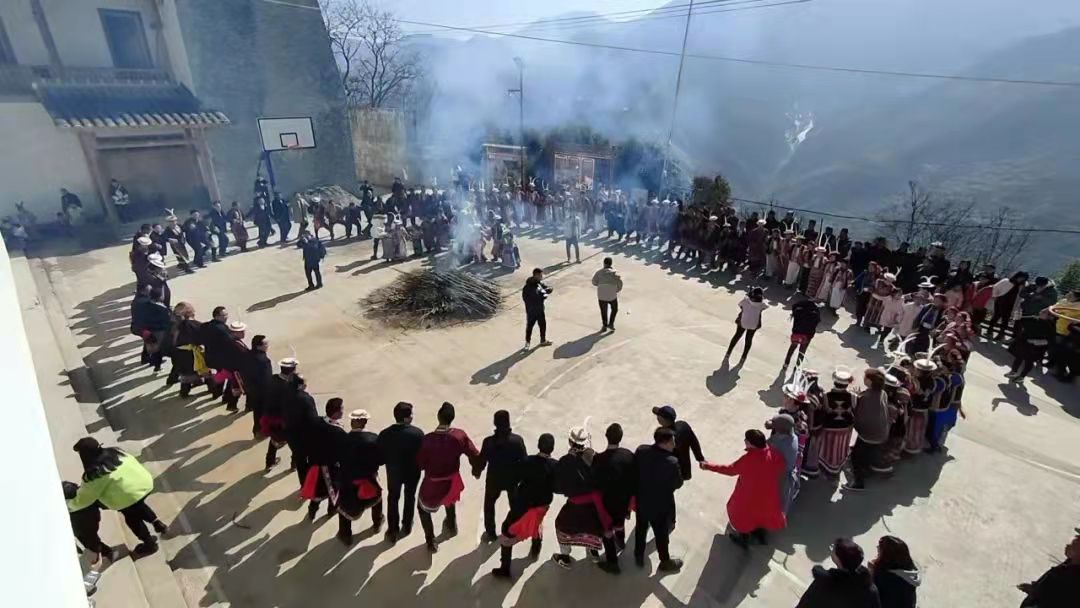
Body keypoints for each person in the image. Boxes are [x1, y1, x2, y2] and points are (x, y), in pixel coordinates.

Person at [67, 438, 168, 558]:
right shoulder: (117, 452)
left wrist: (68, 506)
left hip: (128, 496)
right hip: (144, 484)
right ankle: (157, 523)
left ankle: (149, 544)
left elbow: (84, 499)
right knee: (138, 505)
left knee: (132, 517)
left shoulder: (96, 474)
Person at [700, 429, 786, 549]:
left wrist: (708, 466)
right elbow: (781, 466)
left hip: (749, 495)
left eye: (746, 440)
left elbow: (729, 470)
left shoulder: (748, 459)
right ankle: (760, 534)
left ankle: (743, 539)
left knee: (743, 516)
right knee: (761, 515)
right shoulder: (772, 453)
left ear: (751, 444)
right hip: (768, 494)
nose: (744, 441)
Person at [491, 433, 558, 580]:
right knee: (537, 523)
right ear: (552, 448)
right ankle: (536, 548)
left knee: (507, 530)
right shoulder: (555, 466)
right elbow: (558, 487)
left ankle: (505, 568)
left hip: (523, 505)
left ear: (538, 445)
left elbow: (513, 480)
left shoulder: (527, 462)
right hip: (542, 506)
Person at [416, 402, 480, 552]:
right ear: (452, 418)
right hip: (452, 479)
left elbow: (420, 463)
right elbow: (475, 454)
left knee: (423, 509)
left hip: (433, 482)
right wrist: (476, 470)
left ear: (438, 417)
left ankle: (431, 542)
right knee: (450, 499)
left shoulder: (427, 439)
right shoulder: (459, 435)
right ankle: (451, 525)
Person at [551, 425, 611, 569]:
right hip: (593, 506)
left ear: (570, 442)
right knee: (592, 528)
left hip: (574, 505)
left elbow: (557, 487)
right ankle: (593, 552)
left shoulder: (565, 461)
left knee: (561, 526)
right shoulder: (594, 456)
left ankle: (565, 557)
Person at [632, 427, 685, 572]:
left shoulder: (641, 450)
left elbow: (634, 471)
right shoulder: (672, 462)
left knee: (640, 529)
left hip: (642, 501)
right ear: (665, 443)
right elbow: (678, 483)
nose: (674, 444)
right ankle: (665, 561)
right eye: (672, 441)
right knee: (661, 534)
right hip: (660, 506)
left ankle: (638, 555)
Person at [473, 410, 527, 542]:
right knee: (515, 504)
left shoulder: (488, 442)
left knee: (489, 505)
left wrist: (477, 472)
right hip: (512, 479)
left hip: (494, 479)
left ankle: (490, 532)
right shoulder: (517, 441)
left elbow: (481, 461)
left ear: (494, 423)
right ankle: (512, 529)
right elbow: (524, 461)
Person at [334, 409, 384, 546]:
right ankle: (377, 522)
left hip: (347, 481)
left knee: (344, 507)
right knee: (377, 498)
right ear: (365, 422)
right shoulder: (374, 439)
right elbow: (380, 460)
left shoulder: (342, 439)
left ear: (352, 422)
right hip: (369, 479)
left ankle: (345, 535)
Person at [377, 402, 423, 543]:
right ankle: (407, 525)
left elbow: (380, 457)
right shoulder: (418, 433)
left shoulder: (385, 434)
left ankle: (392, 529)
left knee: (393, 498)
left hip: (394, 472)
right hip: (412, 472)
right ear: (406, 418)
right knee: (410, 497)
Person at [795, 538, 882, 608]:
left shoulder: (824, 583)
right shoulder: (870, 588)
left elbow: (805, 604)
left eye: (834, 549)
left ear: (837, 559)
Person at [844, 369, 890, 492]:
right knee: (868, 452)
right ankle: (867, 470)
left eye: (865, 377)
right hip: (882, 433)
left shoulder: (865, 397)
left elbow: (858, 414)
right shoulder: (883, 393)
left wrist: (856, 397)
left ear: (870, 381)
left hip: (868, 434)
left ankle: (858, 482)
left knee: (855, 457)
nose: (863, 379)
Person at [1017, 533, 1080, 607]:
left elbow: (1059, 600)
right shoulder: (1069, 564)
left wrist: (1036, 592)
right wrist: (1036, 588)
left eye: (1074, 545)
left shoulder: (1074, 578)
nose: (1068, 546)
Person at [816, 369, 856, 480]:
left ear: (834, 382)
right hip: (845, 429)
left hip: (829, 428)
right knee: (841, 448)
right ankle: (837, 467)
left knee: (828, 449)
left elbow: (824, 411)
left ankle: (827, 468)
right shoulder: (853, 396)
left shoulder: (826, 396)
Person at [263, 358, 299, 471]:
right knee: (295, 442)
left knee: (274, 440)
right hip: (285, 419)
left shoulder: (273, 379)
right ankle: (294, 464)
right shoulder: (289, 386)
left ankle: (270, 462)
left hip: (271, 417)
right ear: (292, 370)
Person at [652, 405, 704, 481]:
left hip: (672, 473)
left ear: (663, 420)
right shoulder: (683, 425)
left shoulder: (664, 437)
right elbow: (694, 442)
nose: (657, 417)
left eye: (659, 416)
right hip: (685, 469)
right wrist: (700, 459)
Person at [870, 536, 920, 608]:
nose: (877, 547)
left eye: (881, 547)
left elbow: (873, 596)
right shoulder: (910, 569)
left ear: (887, 556)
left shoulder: (885, 577)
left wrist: (872, 572)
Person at [1007, 309, 1056, 382]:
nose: (1040, 312)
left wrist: (1036, 342)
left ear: (1048, 316)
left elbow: (1050, 340)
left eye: (1043, 312)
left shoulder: (1050, 326)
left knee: (1029, 362)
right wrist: (1018, 315)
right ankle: (1013, 371)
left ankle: (1022, 377)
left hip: (1035, 347)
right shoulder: (1033, 319)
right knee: (1018, 357)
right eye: (1041, 311)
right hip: (1024, 343)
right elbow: (1019, 320)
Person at [766, 413, 800, 516]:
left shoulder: (777, 443)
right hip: (788, 473)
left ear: (780, 430)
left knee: (774, 500)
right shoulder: (793, 437)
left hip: (779, 477)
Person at [725, 287, 768, 362]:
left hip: (743, 323)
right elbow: (764, 307)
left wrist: (748, 296)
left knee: (737, 336)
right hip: (754, 325)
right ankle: (744, 357)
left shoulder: (745, 301)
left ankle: (728, 353)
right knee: (749, 339)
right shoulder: (762, 305)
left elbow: (740, 305)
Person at [245, 335, 273, 437]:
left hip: (251, 388)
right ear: (258, 346)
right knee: (264, 412)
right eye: (265, 344)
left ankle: (257, 430)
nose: (267, 346)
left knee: (257, 411)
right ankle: (262, 431)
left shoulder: (247, 355)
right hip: (262, 391)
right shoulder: (264, 360)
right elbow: (267, 378)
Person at [988, 271, 1029, 340]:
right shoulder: (1006, 281)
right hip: (1001, 301)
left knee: (1005, 319)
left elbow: (1022, 295)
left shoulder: (1022, 286)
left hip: (1011, 304)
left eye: (1023, 279)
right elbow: (995, 287)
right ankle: (990, 330)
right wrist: (995, 296)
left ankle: (1000, 334)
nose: (1021, 279)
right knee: (996, 316)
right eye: (1021, 277)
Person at [784, 297, 821, 369]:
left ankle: (786, 364)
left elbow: (794, 307)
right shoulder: (815, 311)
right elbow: (817, 321)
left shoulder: (798, 311)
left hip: (797, 333)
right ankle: (797, 367)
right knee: (802, 351)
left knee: (792, 348)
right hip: (807, 335)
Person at [522, 268, 554, 349]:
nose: (542, 277)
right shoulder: (527, 287)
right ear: (536, 275)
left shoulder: (539, 283)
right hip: (531, 311)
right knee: (530, 327)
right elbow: (527, 299)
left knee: (543, 325)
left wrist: (548, 289)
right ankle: (527, 342)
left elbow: (547, 288)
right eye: (540, 275)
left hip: (540, 310)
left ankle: (543, 340)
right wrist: (541, 296)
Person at [592, 257, 623, 331]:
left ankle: (604, 326)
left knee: (603, 310)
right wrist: (616, 290)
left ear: (604, 263)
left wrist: (600, 285)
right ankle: (611, 324)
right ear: (611, 264)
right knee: (614, 309)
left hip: (601, 295)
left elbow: (594, 282)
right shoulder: (615, 273)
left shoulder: (599, 272)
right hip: (612, 295)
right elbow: (620, 284)